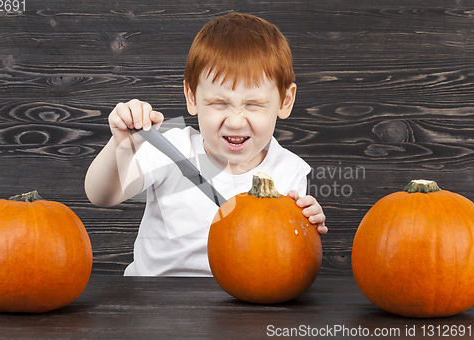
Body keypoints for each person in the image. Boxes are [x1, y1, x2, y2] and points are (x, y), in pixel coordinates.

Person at [85, 12, 327, 276]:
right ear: (192, 97)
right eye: (219, 103)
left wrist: (303, 225)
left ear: (284, 101)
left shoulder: (288, 171)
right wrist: (121, 147)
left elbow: (283, 258)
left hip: (239, 305)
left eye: (254, 104)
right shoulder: (171, 149)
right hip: (154, 303)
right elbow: (101, 195)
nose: (235, 122)